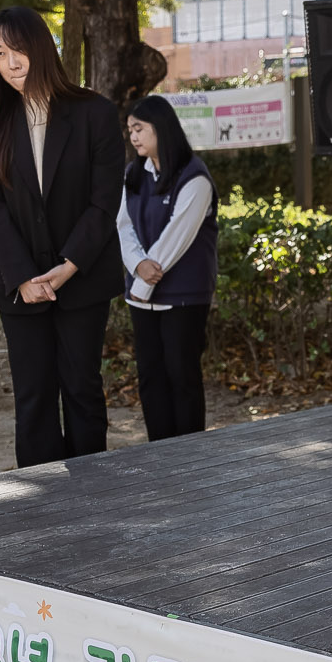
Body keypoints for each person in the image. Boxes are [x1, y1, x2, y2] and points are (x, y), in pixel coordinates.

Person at [0, 7, 126, 467]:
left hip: (83, 276)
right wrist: (23, 276)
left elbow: (103, 202)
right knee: (33, 398)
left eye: (19, 50)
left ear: (43, 49)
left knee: (82, 389)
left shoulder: (94, 112)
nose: (11, 63)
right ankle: (41, 506)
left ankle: (93, 497)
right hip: (20, 286)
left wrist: (68, 266)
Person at [117, 95, 216, 440]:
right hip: (141, 297)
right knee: (150, 376)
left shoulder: (194, 176)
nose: (133, 136)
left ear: (162, 126)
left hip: (183, 297)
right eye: (130, 130)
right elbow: (123, 226)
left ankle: (189, 455)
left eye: (139, 128)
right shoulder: (134, 173)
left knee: (182, 375)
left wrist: (144, 276)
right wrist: (137, 265)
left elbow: (177, 236)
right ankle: (158, 452)